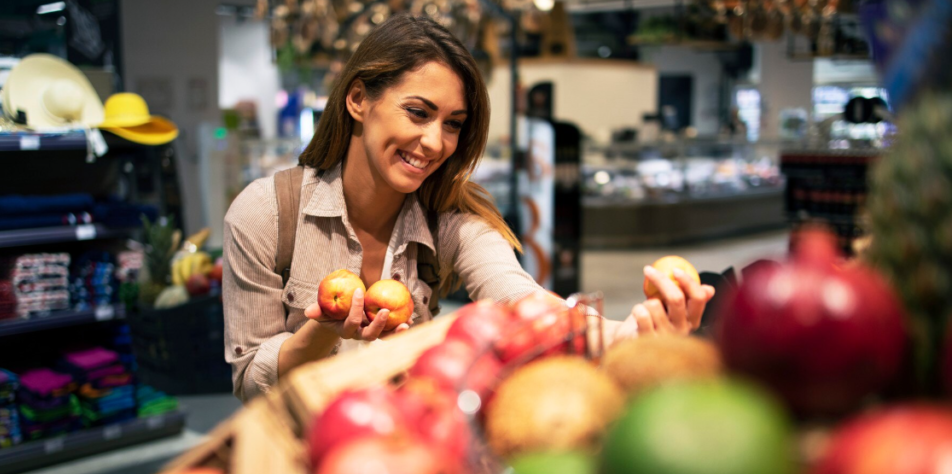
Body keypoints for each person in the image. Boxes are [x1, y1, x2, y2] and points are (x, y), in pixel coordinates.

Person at [223, 14, 715, 402]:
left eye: (453, 123)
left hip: (412, 453)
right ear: (357, 99)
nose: (435, 142)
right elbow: (249, 381)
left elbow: (520, 300)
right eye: (418, 112)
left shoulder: (450, 219)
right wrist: (320, 333)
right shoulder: (268, 213)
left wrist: (629, 334)